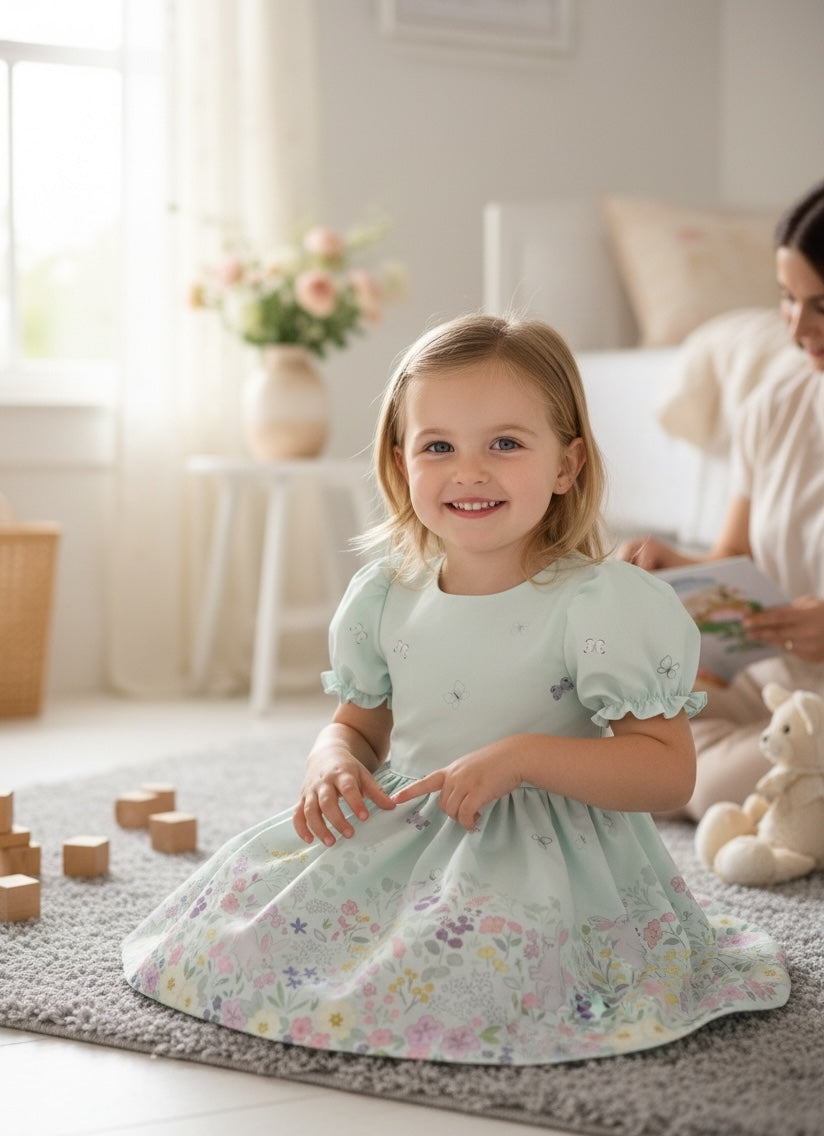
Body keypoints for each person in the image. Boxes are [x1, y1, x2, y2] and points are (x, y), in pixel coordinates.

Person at [123, 314, 788, 1065]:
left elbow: (667, 769)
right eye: (438, 446)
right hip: (408, 823)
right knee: (243, 930)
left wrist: (524, 757)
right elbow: (359, 724)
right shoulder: (386, 593)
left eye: (505, 444)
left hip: (546, 854)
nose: (468, 471)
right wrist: (332, 760)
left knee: (483, 956)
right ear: (401, 460)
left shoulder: (600, 603)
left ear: (567, 465)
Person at [620, 179, 824, 821]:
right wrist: (670, 567)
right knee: (612, 726)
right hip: (770, 680)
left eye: (821, 305)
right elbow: (732, 559)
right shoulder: (777, 405)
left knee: (699, 785)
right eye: (786, 300)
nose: (797, 328)